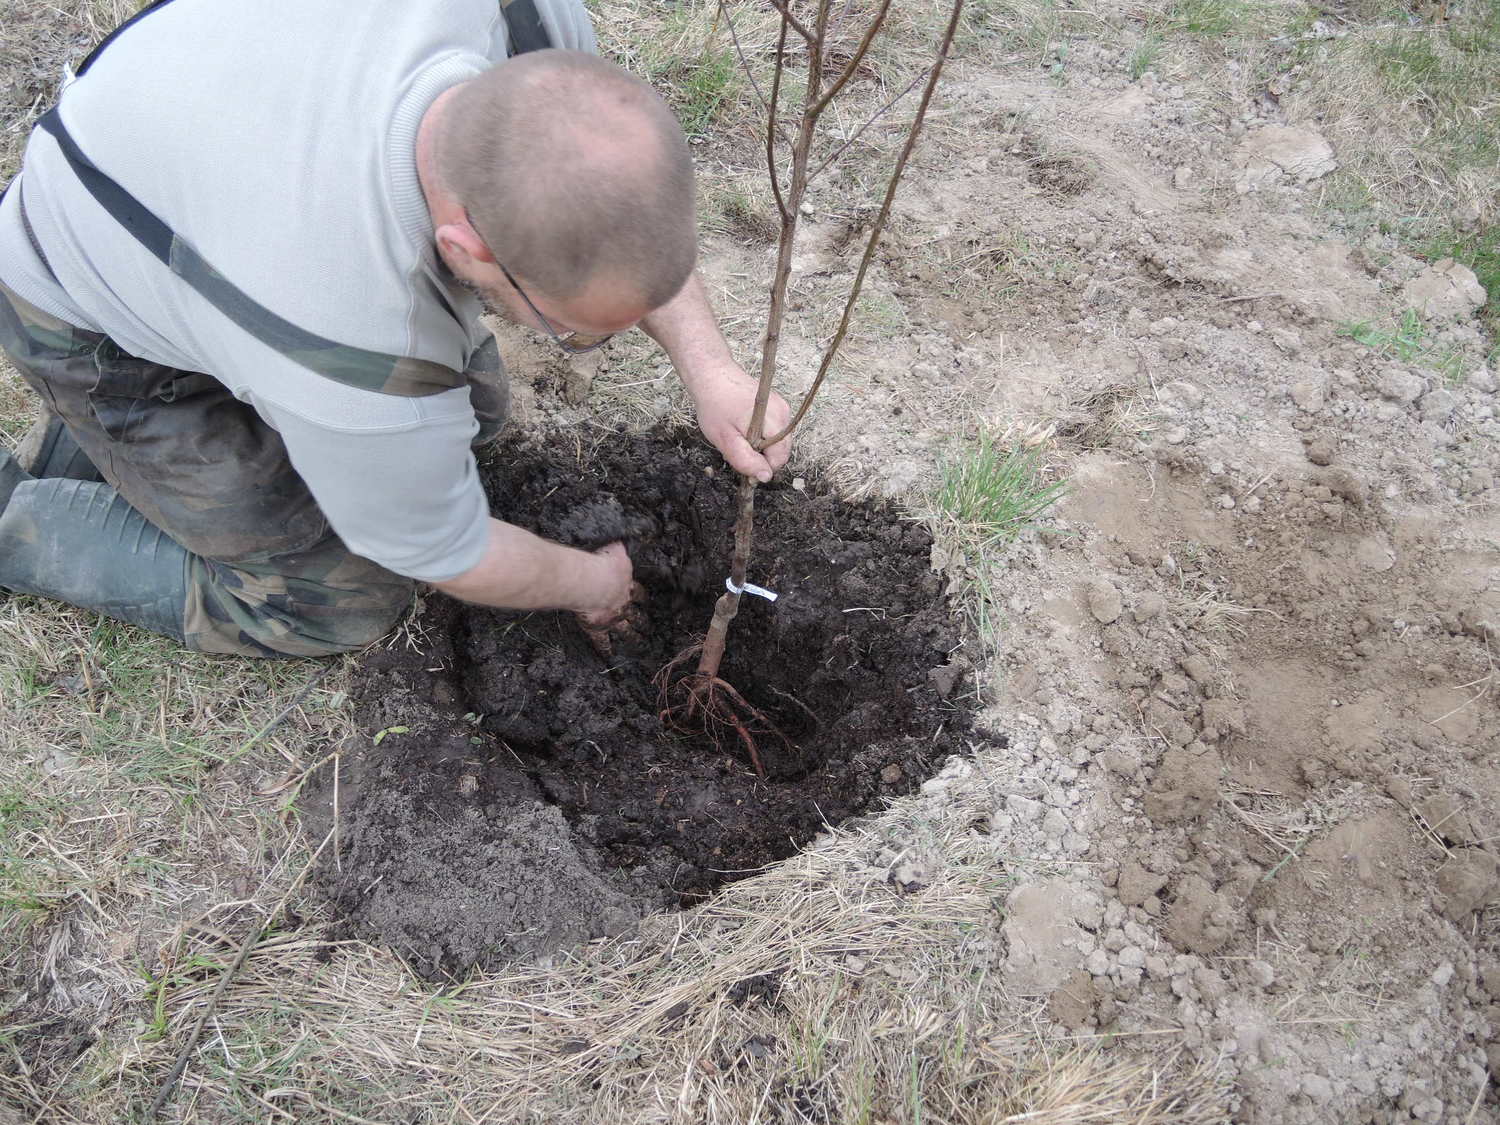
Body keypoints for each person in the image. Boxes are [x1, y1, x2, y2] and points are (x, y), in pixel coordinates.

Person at [0, 0, 790, 658]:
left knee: (472, 422)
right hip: (81, 304)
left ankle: (171, 439)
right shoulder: (352, 331)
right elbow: (441, 552)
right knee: (342, 598)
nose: (586, 343)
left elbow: (625, 210)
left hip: (173, 179)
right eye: (577, 332)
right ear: (465, 249)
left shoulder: (526, 30)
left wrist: (710, 367)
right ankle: (23, 517)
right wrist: (593, 583)